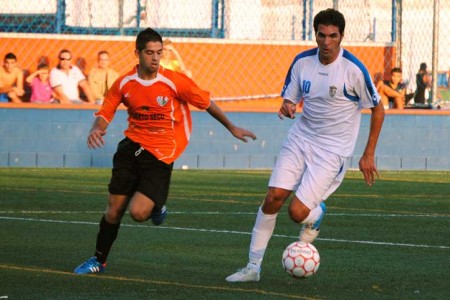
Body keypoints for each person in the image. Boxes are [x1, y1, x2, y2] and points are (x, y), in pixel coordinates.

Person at [73, 28, 257, 275]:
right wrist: (97, 129)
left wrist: (231, 126)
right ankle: (98, 260)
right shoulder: (124, 83)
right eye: (150, 53)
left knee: (138, 213)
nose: (156, 58)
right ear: (137, 53)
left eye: (159, 52)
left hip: (160, 153)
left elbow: (206, 102)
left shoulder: (175, 81)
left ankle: (157, 203)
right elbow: (105, 111)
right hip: (130, 148)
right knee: (114, 209)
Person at [226, 8, 384, 283]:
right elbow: (291, 99)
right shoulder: (302, 62)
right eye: (321, 35)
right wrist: (287, 105)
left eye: (332, 36)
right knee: (273, 197)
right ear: (315, 35)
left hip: (332, 150)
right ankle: (252, 267)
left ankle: (316, 214)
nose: (326, 42)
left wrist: (368, 153)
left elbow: (378, 109)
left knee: (296, 212)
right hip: (300, 139)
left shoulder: (354, 69)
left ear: (341, 37)